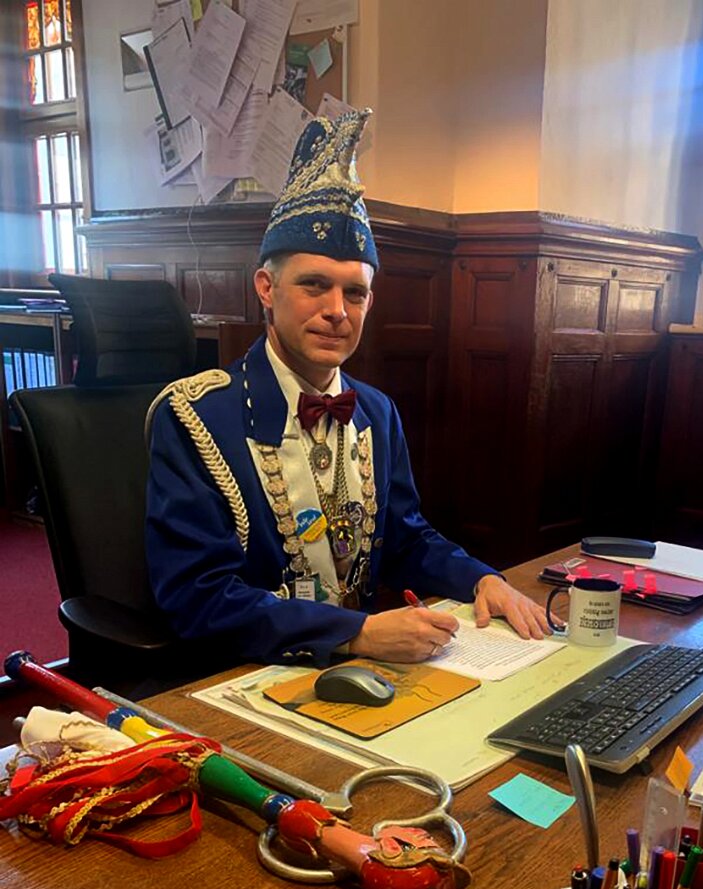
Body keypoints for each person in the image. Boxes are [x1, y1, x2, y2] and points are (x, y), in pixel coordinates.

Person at [146, 108, 549, 668]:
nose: (337, 311)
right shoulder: (196, 416)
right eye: (314, 286)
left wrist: (483, 580)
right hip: (242, 672)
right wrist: (354, 633)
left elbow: (407, 538)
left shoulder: (377, 411)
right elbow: (197, 598)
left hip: (362, 668)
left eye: (354, 293)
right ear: (266, 288)